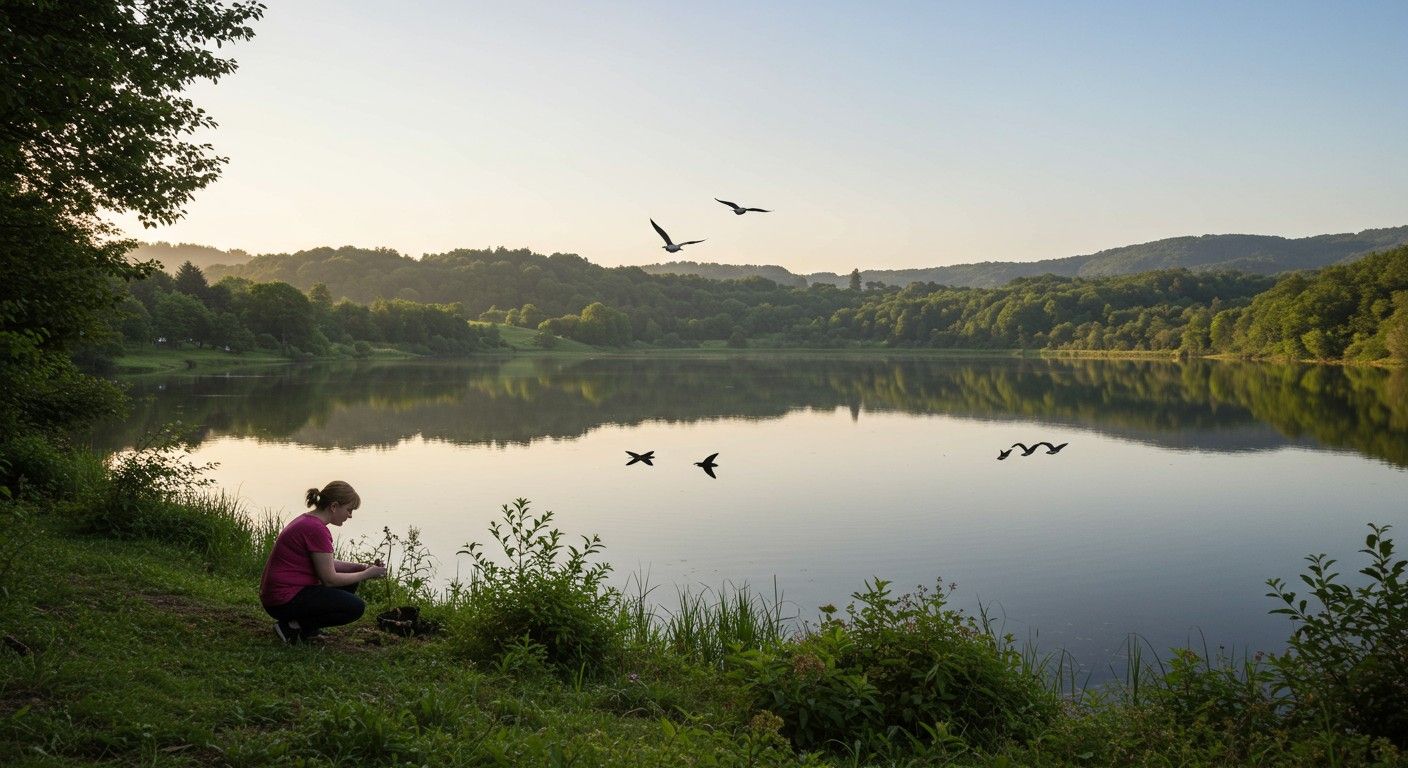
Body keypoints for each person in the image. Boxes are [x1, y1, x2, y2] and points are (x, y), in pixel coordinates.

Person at [259, 481, 387, 643]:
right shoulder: (316, 529)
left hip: (281, 595)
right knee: (355, 607)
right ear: (334, 506)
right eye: (349, 510)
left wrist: (361, 567)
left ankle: (306, 630)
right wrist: (366, 574)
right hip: (283, 600)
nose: (350, 515)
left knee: (349, 581)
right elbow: (330, 579)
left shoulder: (309, 521)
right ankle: (291, 627)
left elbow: (327, 562)